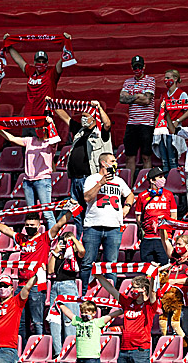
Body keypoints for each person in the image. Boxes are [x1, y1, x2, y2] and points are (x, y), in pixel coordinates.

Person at [53, 100, 112, 236]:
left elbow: (107, 124)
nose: (83, 119)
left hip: (89, 179)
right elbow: (65, 116)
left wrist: (98, 107)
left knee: (89, 211)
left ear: (93, 118)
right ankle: (80, 239)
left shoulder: (100, 133)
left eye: (86, 116)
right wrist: (53, 103)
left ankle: (90, 239)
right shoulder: (79, 131)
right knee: (77, 212)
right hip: (75, 179)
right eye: (82, 116)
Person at [94, 273, 158, 363]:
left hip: (140, 350)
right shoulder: (127, 302)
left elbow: (153, 293)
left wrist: (153, 275)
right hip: (124, 349)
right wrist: (99, 276)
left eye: (135, 287)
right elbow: (111, 290)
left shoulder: (149, 305)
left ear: (143, 289)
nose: (132, 290)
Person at [80, 153, 134, 290]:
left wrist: (126, 208)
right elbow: (87, 197)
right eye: (112, 160)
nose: (115, 163)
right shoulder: (92, 179)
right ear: (104, 163)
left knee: (111, 265)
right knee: (87, 262)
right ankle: (84, 293)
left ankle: (110, 296)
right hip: (93, 225)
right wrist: (101, 183)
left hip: (114, 227)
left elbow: (130, 195)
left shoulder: (119, 180)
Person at [0, 212, 47, 341]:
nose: (29, 227)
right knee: (20, 321)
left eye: (32, 225)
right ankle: (20, 348)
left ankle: (37, 348)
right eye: (27, 225)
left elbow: (58, 226)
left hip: (36, 286)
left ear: (38, 225)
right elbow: (6, 230)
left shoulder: (44, 239)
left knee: (37, 322)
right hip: (21, 285)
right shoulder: (22, 238)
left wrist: (70, 211)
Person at [2, 120, 58, 230]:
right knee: (31, 213)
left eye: (41, 128)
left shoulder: (50, 143)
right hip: (28, 181)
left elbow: (56, 138)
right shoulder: (30, 140)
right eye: (37, 128)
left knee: (47, 214)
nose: (38, 130)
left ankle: (52, 241)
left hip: (43, 180)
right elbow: (12, 138)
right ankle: (33, 238)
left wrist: (52, 124)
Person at [59, 300, 123, 363]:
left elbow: (110, 316)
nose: (84, 314)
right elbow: (69, 313)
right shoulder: (78, 321)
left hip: (92, 359)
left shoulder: (97, 322)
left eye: (87, 312)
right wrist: (60, 304)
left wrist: (122, 310)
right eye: (83, 312)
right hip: (80, 358)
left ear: (93, 313)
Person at [5, 33, 71, 117]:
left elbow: (62, 61)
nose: (41, 63)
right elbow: (19, 60)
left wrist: (67, 44)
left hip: (45, 115)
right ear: (34, 62)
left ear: (47, 63)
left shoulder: (52, 74)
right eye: (38, 61)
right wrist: (9, 45)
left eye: (43, 61)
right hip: (29, 115)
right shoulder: (30, 71)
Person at [47, 229, 86, 357]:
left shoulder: (74, 254)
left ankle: (70, 351)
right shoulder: (58, 255)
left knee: (69, 320)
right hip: (55, 286)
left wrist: (73, 239)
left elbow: (82, 251)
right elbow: (50, 270)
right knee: (54, 320)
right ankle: (57, 352)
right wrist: (55, 252)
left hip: (69, 285)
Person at [119, 55, 157, 176]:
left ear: (144, 66)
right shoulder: (128, 82)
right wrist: (138, 96)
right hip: (132, 124)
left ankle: (147, 184)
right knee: (130, 156)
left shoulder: (150, 80)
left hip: (146, 124)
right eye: (135, 67)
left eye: (140, 66)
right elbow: (122, 99)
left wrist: (131, 97)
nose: (137, 69)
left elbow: (147, 100)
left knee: (146, 156)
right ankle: (128, 186)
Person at [135, 167, 178, 265]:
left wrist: (167, 234)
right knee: (147, 270)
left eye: (163, 176)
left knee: (164, 269)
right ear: (151, 180)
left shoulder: (169, 194)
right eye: (160, 177)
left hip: (164, 238)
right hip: (147, 238)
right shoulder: (142, 196)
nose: (163, 179)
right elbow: (138, 219)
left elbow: (174, 217)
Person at [153, 68, 188, 173]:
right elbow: (161, 111)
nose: (165, 80)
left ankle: (174, 180)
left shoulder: (182, 94)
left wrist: (177, 121)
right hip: (164, 129)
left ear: (175, 79)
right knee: (164, 160)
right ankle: (165, 181)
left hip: (175, 129)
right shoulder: (164, 95)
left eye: (168, 78)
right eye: (165, 78)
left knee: (172, 159)